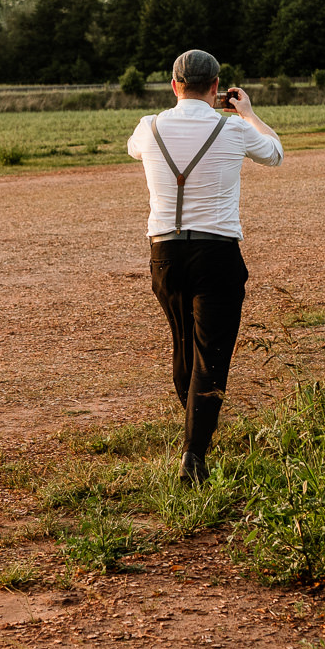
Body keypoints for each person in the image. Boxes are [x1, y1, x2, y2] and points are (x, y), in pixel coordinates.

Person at [127, 50, 283, 486]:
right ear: (216, 88)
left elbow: (134, 151)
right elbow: (275, 153)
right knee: (211, 353)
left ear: (174, 85)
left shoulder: (149, 126)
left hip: (165, 254)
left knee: (183, 343)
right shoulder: (232, 126)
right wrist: (249, 113)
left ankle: (196, 421)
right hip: (216, 254)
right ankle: (194, 453)